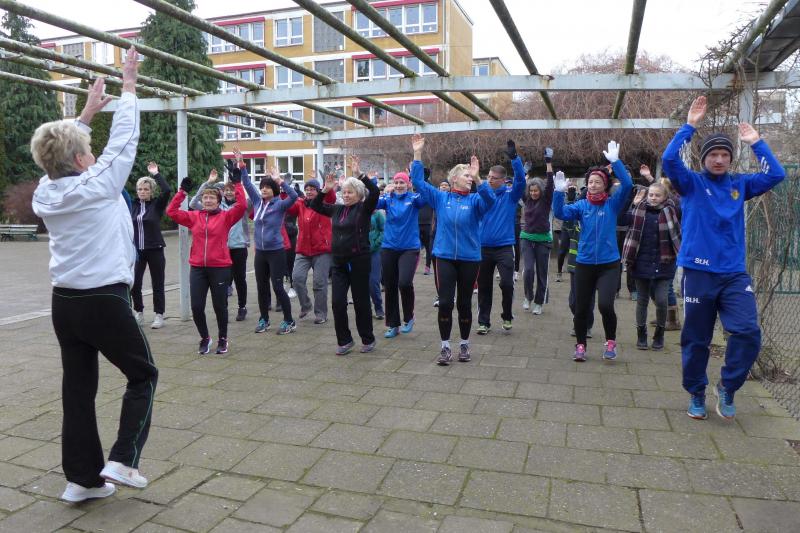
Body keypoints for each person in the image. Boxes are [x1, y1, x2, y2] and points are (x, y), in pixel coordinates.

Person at [31, 48, 158, 503]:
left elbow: (58, 154)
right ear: (83, 161)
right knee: (143, 374)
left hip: (64, 302)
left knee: (78, 390)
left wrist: (83, 116)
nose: (95, 154)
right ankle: (123, 459)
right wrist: (129, 85)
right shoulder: (100, 182)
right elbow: (125, 139)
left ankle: (82, 480)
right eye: (88, 151)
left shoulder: (45, 191)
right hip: (103, 298)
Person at [662, 95, 785, 420]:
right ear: (704, 158)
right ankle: (696, 392)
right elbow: (669, 160)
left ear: (730, 159)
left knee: (747, 332)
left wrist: (756, 142)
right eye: (713, 155)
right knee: (696, 339)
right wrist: (689, 126)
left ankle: (728, 386)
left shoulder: (740, 185)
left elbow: (776, 174)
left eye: (724, 155)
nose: (719, 160)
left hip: (733, 274)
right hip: (698, 273)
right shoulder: (691, 183)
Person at [410, 134, 496, 365]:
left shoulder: (476, 200)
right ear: (454, 178)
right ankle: (445, 347)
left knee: (465, 303)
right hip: (445, 257)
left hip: (470, 259)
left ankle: (464, 344)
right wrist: (417, 153)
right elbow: (418, 182)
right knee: (446, 303)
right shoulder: (441, 198)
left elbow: (491, 201)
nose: (469, 179)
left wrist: (479, 178)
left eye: (471, 176)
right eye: (466, 176)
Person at [553, 141, 632, 362]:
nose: (594, 185)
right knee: (581, 308)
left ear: (605, 185)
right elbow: (560, 213)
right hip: (585, 264)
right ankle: (580, 345)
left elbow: (627, 185)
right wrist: (558, 192)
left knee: (605, 305)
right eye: (590, 182)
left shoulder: (612, 204)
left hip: (609, 264)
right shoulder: (581, 206)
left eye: (598, 182)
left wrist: (616, 162)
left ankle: (610, 341)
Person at [168, 165, 247, 355]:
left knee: (220, 306)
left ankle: (223, 338)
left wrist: (237, 183)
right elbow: (171, 211)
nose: (208, 200)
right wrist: (182, 192)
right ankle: (205, 337)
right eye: (205, 198)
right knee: (196, 307)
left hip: (220, 267)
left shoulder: (226, 217)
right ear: (201, 201)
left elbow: (242, 206)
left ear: (219, 201)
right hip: (198, 268)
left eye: (212, 198)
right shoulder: (194, 217)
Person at [310, 157, 379, 355]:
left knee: (360, 302)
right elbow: (315, 205)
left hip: (358, 261)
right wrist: (326, 189)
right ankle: (345, 340)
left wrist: (360, 174)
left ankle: (368, 338)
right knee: (338, 303)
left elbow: (374, 191)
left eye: (350, 192)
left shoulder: (364, 209)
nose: (346, 195)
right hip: (339, 262)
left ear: (359, 194)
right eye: (344, 192)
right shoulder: (337, 209)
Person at [189, 153, 251, 322]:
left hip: (238, 247)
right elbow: (193, 204)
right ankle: (223, 309)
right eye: (227, 190)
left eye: (232, 189)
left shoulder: (242, 206)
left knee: (240, 279)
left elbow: (248, 194)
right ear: (222, 192)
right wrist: (208, 183)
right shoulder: (217, 206)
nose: (229, 192)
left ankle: (242, 306)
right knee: (224, 283)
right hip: (222, 251)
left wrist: (239, 173)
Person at [622, 183, 681, 351]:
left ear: (665, 197)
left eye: (657, 195)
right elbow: (622, 219)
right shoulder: (638, 210)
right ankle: (641, 334)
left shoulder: (671, 211)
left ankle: (659, 333)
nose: (653, 198)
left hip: (665, 263)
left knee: (661, 300)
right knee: (642, 300)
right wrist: (632, 203)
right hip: (641, 262)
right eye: (651, 195)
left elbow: (680, 204)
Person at [476, 141, 525, 334]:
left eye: (494, 178)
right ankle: (483, 322)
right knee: (484, 286)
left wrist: (515, 159)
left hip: (504, 247)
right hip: (483, 248)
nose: (490, 180)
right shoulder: (482, 194)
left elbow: (521, 181)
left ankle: (507, 315)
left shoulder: (510, 196)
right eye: (488, 177)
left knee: (506, 284)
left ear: (503, 180)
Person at [243, 166, 298, 334]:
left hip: (276, 252)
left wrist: (280, 180)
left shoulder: (280, 205)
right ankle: (264, 319)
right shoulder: (257, 202)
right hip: (260, 252)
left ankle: (289, 321)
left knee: (278, 287)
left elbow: (294, 196)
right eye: (262, 187)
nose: (264, 189)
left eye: (267, 187)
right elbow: (247, 184)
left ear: (274, 190)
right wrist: (242, 166)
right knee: (261, 287)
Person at [377, 171, 428, 338]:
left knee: (404, 283)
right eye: (396, 182)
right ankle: (393, 324)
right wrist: (380, 191)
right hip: (389, 247)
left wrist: (418, 179)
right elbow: (372, 203)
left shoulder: (414, 199)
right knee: (390, 286)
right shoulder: (387, 199)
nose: (399, 185)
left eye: (402, 182)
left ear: (408, 184)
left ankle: (409, 317)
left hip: (409, 248)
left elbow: (426, 196)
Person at [288, 177, 337, 324]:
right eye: (307, 189)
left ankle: (321, 313)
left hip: (322, 249)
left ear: (318, 190)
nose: (309, 192)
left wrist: (328, 188)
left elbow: (331, 198)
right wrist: (282, 187)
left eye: (313, 189)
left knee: (319, 282)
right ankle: (306, 305)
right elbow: (288, 205)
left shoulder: (324, 202)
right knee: (297, 278)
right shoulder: (300, 204)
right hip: (303, 249)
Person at [130, 161, 171, 329]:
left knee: (157, 284)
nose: (142, 192)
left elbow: (167, 190)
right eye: (140, 189)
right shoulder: (132, 205)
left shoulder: (156, 205)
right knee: (134, 283)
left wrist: (156, 173)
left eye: (146, 189)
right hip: (137, 251)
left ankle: (159, 315)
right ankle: (139, 312)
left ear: (151, 191)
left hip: (155, 249)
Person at [520, 148, 556, 315]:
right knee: (528, 270)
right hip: (527, 238)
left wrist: (548, 162)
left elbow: (550, 183)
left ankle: (539, 302)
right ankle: (528, 296)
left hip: (543, 240)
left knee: (542, 273)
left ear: (541, 190)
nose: (534, 193)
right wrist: (523, 172)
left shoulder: (546, 200)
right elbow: (519, 184)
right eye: (531, 190)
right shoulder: (527, 199)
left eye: (536, 190)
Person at [369, 206, 385, 320]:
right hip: (358, 252)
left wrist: (376, 243)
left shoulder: (377, 214)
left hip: (375, 251)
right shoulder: (355, 211)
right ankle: (365, 308)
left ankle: (378, 307)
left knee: (373, 281)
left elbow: (384, 230)